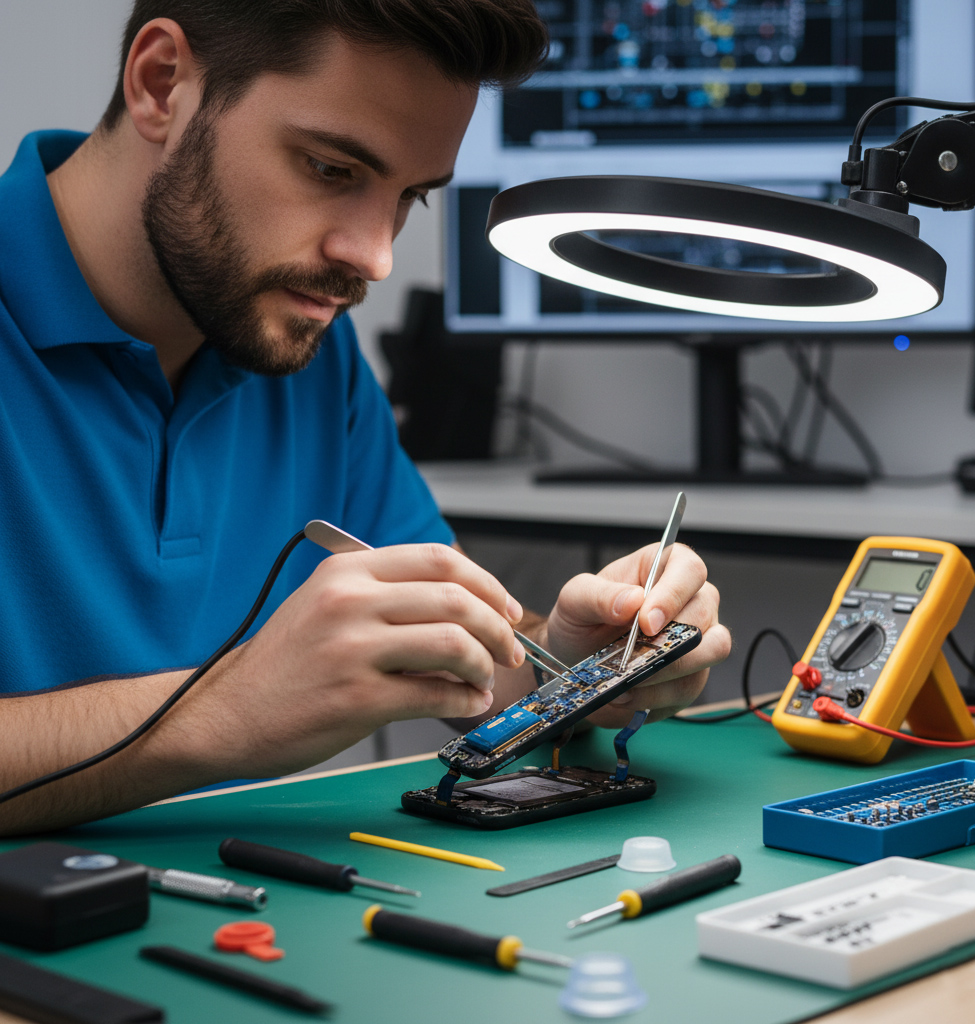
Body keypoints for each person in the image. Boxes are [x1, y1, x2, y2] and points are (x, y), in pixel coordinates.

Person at [0, 0, 731, 835]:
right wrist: (222, 714)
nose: (374, 257)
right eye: (331, 169)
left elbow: (456, 656)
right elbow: (236, 710)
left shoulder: (297, 338)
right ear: (162, 83)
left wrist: (577, 664)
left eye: (411, 196)